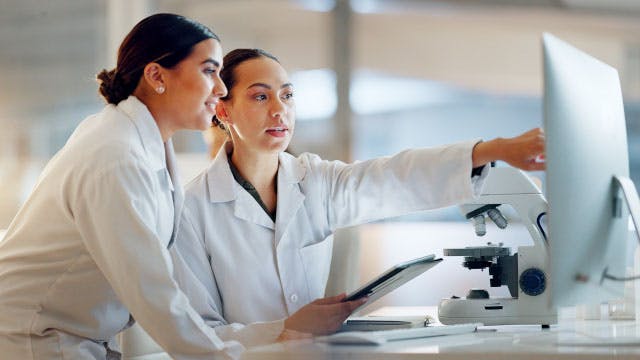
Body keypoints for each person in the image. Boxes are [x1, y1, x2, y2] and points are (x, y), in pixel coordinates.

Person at [0, 15, 362, 360]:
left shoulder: (147, 145)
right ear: (157, 75)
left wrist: (277, 332)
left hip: (74, 339)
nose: (220, 89)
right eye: (209, 72)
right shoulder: (114, 155)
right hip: (33, 340)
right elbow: (153, 293)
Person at [171, 48, 546, 348]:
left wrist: (492, 149)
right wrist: (284, 330)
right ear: (223, 109)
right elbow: (195, 336)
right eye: (260, 96)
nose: (279, 109)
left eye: (287, 95)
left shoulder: (316, 180)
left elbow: (394, 177)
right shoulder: (192, 210)